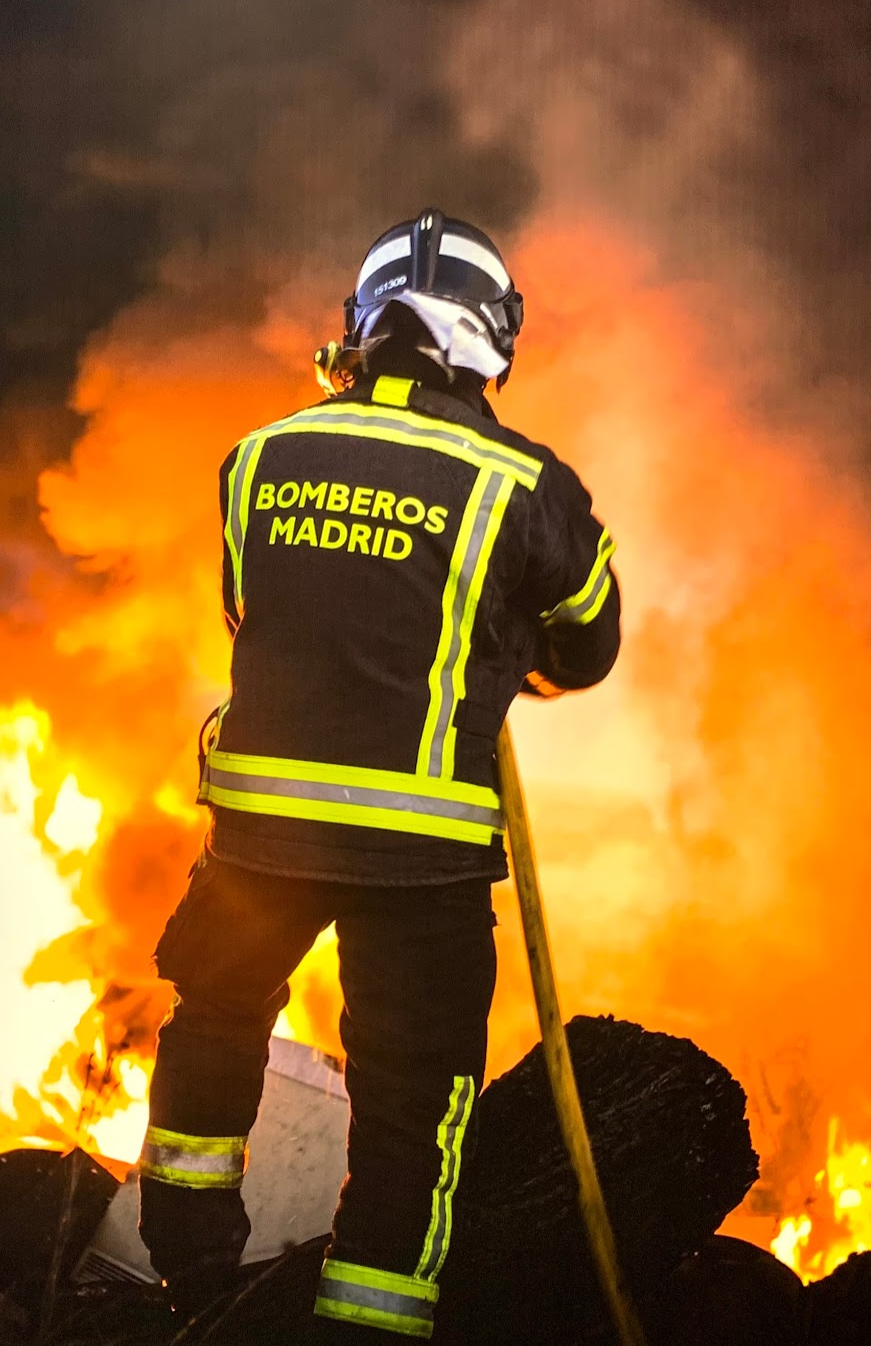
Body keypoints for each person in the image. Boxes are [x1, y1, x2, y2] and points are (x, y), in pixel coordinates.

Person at [138, 209, 621, 1341]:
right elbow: (588, 646)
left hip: (255, 845)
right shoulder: (525, 487)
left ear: (358, 329)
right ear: (491, 342)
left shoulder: (257, 455)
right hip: (421, 865)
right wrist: (499, 649)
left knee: (213, 1029)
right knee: (412, 1111)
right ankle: (371, 1321)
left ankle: (189, 1278)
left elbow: (251, 612)